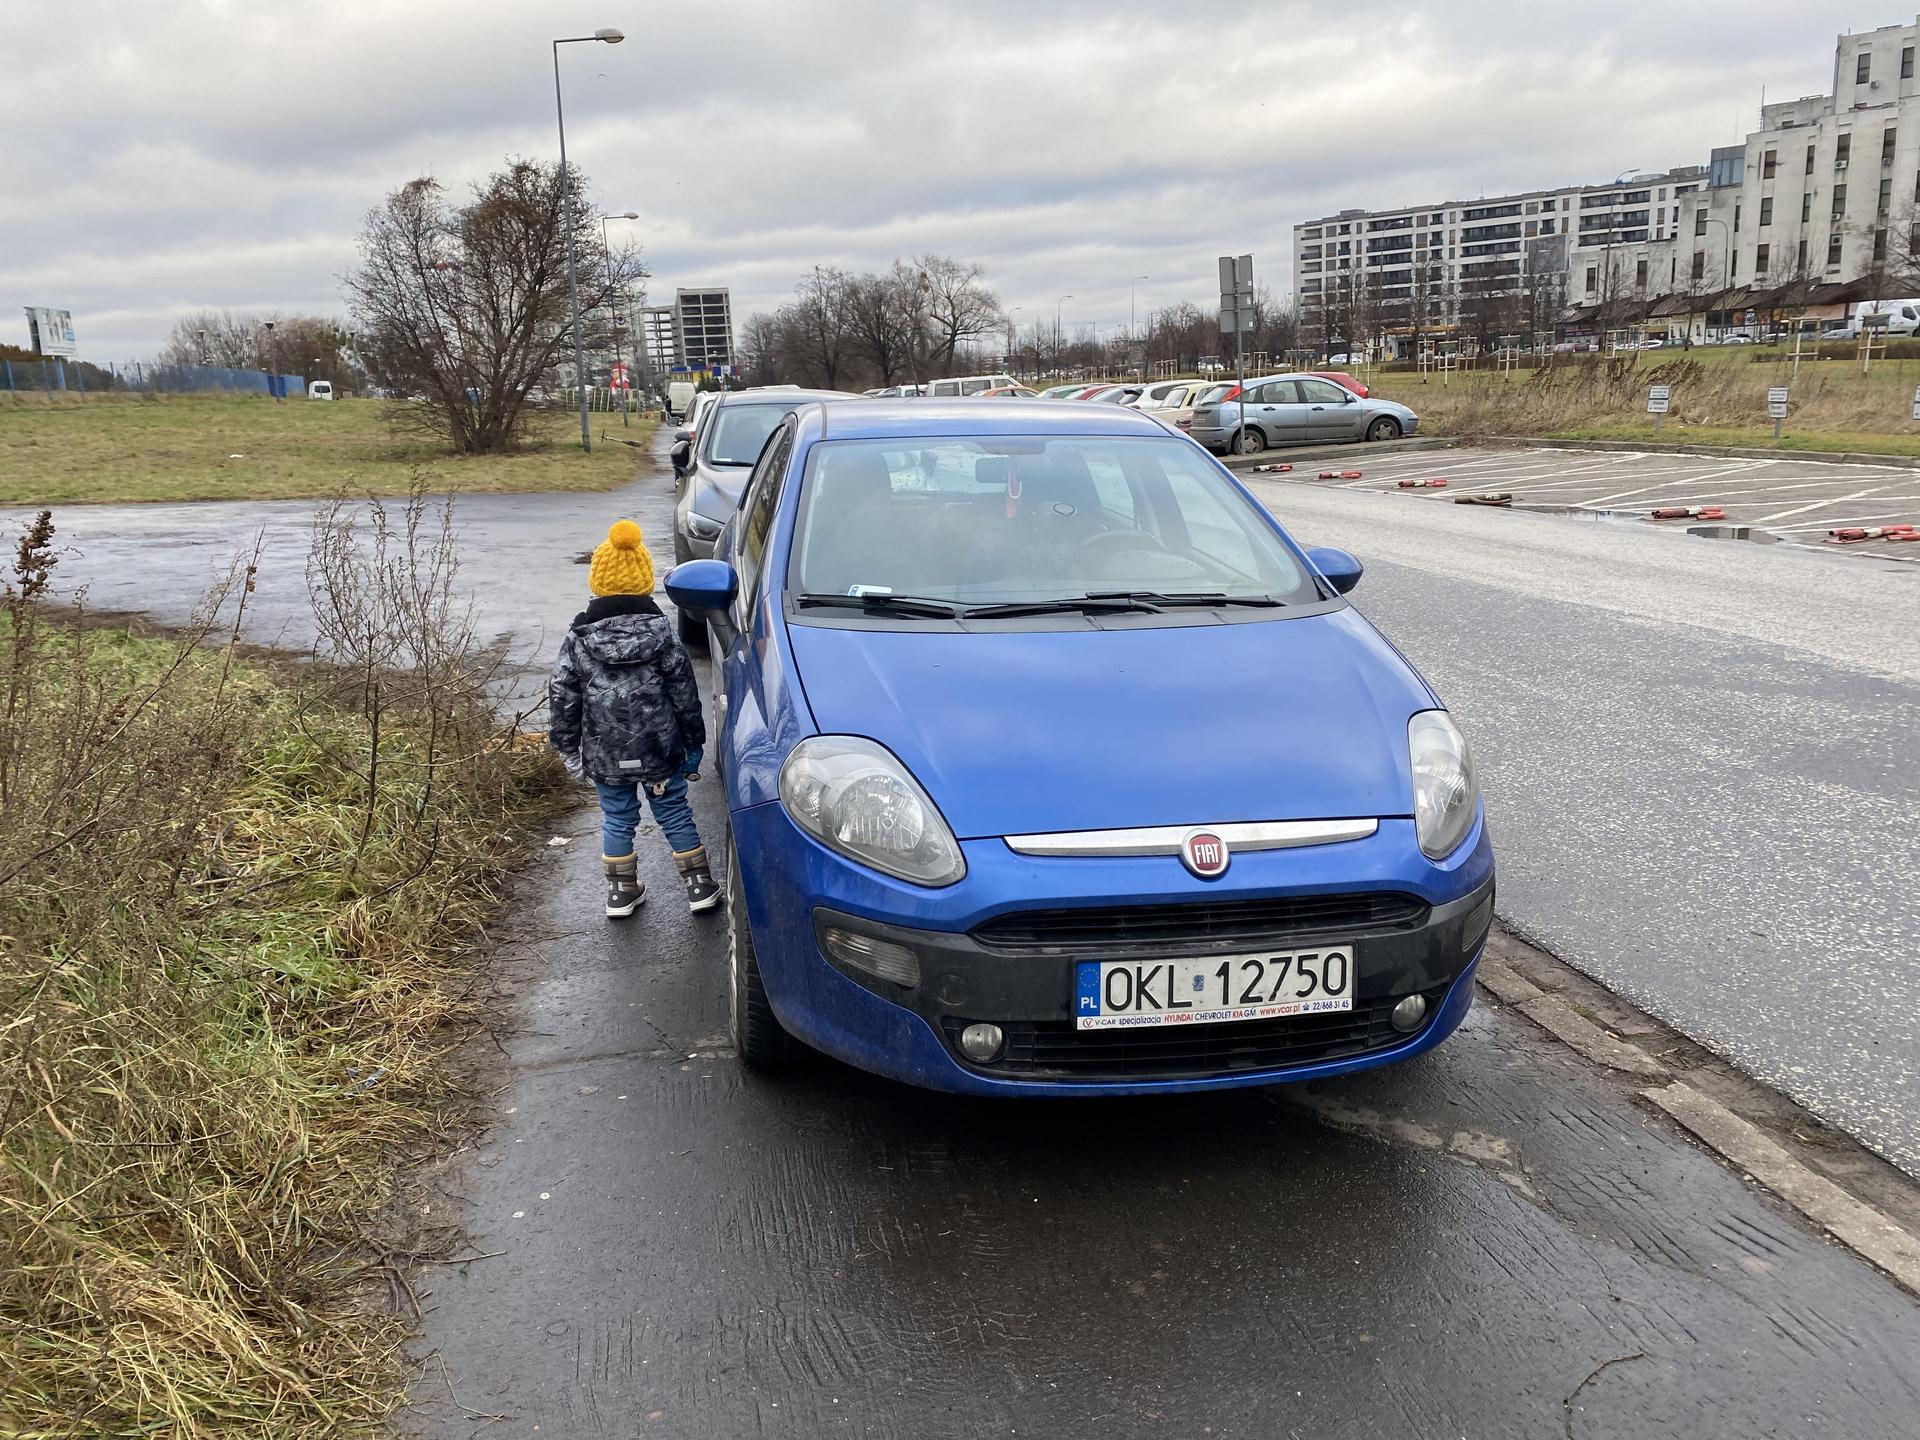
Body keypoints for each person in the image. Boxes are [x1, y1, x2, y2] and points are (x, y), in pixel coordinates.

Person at [548, 519, 720, 918]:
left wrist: (567, 748)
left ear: (597, 582)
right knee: (674, 810)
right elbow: (684, 694)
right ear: (644, 581)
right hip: (660, 751)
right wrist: (694, 742)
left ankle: (621, 892)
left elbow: (563, 696)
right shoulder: (662, 634)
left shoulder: (579, 639)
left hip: (605, 755)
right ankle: (698, 886)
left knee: (618, 816)